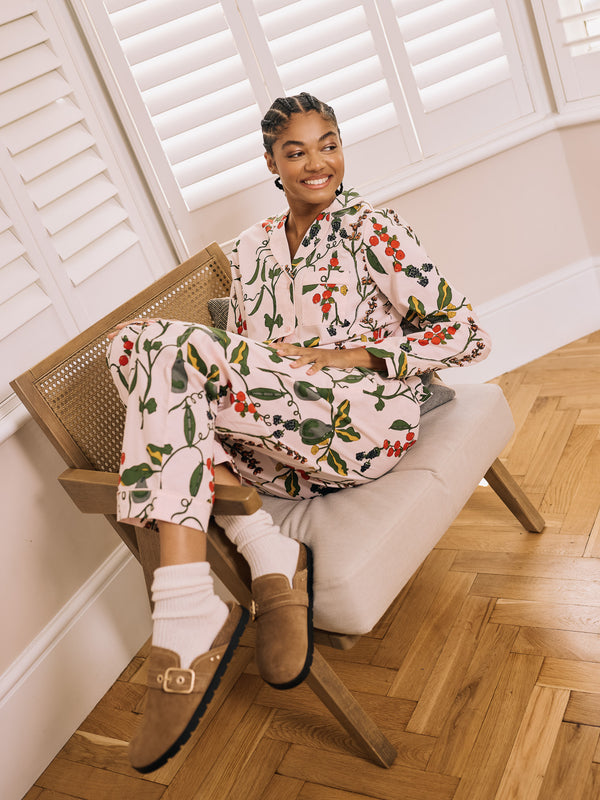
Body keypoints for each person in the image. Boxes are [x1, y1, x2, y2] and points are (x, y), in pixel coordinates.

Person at [106, 92, 491, 772]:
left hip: (357, 423)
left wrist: (360, 355)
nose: (318, 162)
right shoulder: (248, 247)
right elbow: (235, 357)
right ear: (271, 163)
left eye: (329, 143)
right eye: (297, 150)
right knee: (131, 349)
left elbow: (462, 333)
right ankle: (268, 552)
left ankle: (184, 606)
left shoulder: (374, 229)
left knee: (160, 358)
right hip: (274, 441)